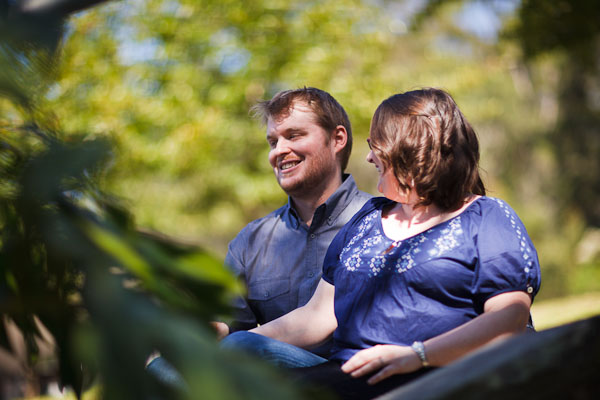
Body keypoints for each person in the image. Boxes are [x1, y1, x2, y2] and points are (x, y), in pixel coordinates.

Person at [229, 88, 541, 399]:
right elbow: (318, 316)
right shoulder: (366, 220)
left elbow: (509, 319)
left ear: (411, 147)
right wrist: (226, 346)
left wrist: (416, 355)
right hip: (348, 375)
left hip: (435, 377)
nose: (368, 156)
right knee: (236, 350)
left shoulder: (486, 216)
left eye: (376, 144)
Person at [214, 87, 372, 365]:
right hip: (261, 387)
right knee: (159, 368)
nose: (280, 151)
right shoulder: (250, 241)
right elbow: (227, 326)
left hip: (353, 383)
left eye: (294, 135)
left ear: (337, 139)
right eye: (273, 142)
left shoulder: (383, 220)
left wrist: (243, 344)